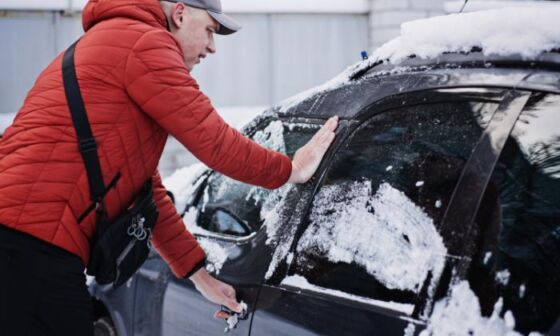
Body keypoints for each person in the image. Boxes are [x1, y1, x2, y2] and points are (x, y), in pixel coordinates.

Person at [0, 0, 338, 334]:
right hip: (29, 245)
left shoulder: (117, 41)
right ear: (179, 14)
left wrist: (199, 276)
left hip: (23, 241)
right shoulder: (146, 42)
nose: (212, 47)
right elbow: (215, 142)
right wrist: (291, 169)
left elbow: (145, 194)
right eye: (209, 30)